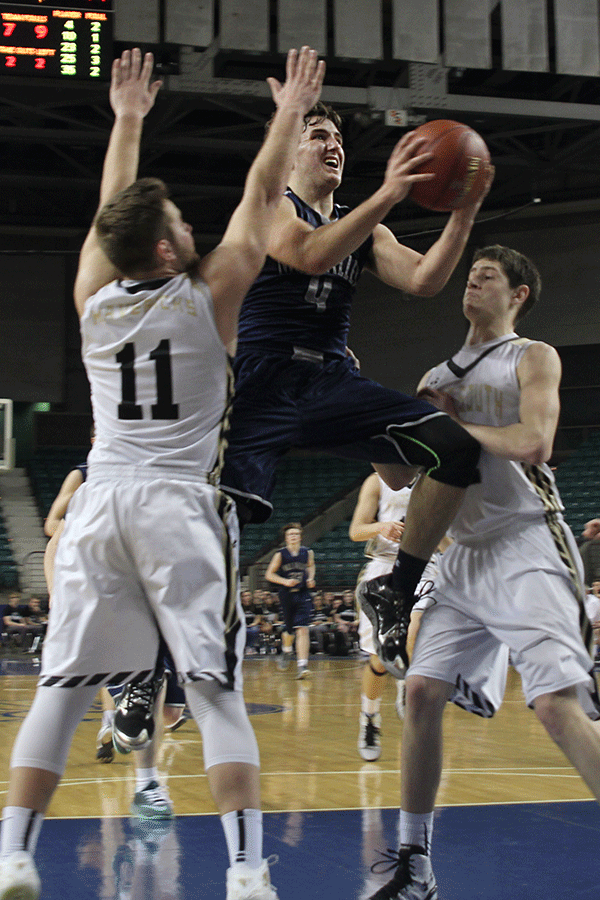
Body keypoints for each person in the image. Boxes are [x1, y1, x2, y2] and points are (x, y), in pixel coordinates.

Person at [0, 44, 325, 900]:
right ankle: (249, 872)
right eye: (181, 219)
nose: (191, 224)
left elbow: (113, 213)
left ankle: (13, 858)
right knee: (215, 694)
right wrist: (287, 109)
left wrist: (128, 122)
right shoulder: (209, 291)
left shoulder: (93, 302)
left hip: (101, 503)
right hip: (179, 507)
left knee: (62, 693)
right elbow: (261, 199)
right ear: (171, 244)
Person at [220, 101, 493, 678]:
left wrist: (464, 213)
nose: (332, 143)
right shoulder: (269, 208)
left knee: (457, 449)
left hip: (329, 377)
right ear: (289, 152)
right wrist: (390, 192)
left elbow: (423, 279)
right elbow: (310, 253)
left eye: (337, 136)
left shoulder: (366, 227)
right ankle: (149, 666)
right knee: (215, 523)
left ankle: (397, 589)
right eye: (317, 135)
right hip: (262, 382)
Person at [369, 245, 600, 900]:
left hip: (528, 541)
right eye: (470, 273)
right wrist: (364, 420)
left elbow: (534, 443)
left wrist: (453, 425)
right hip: (463, 553)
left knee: (556, 707)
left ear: (518, 294)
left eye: (489, 275)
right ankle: (415, 864)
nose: (473, 279)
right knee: (418, 693)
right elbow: (396, 475)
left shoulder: (533, 356)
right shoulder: (435, 373)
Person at [350, 473, 450, 761]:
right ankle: (369, 719)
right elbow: (356, 530)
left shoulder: (437, 478)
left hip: (424, 565)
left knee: (415, 626)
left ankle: (407, 682)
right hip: (382, 566)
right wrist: (381, 527)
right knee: (379, 659)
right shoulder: (375, 481)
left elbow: (444, 537)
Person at [265, 522, 315, 679]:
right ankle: (286, 651)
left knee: (303, 629)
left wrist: (311, 578)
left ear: (300, 537)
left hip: (303, 594)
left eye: (296, 534)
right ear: (286, 538)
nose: (294, 536)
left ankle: (302, 666)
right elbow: (269, 574)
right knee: (289, 629)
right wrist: (285, 581)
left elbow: (311, 565)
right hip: (286, 594)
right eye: (290, 534)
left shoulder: (308, 552)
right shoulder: (280, 554)